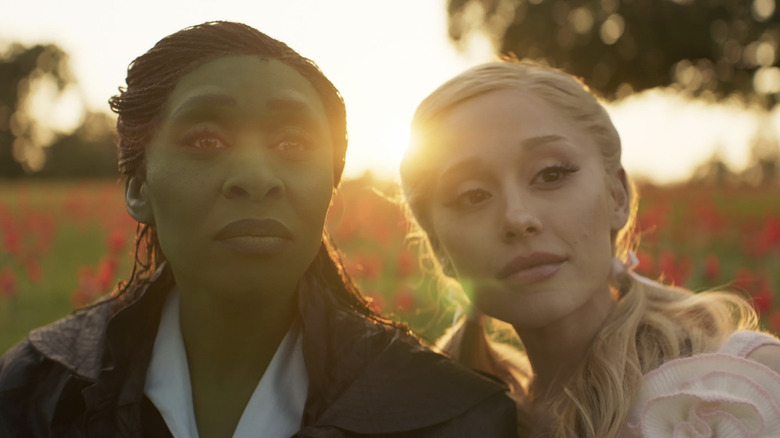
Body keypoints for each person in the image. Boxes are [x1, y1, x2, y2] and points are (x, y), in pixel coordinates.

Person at [0, 22, 518, 438]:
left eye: (293, 144)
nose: (255, 178)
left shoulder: (454, 417)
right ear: (138, 187)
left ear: (330, 188)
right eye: (205, 140)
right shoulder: (32, 391)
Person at [399, 60, 780, 438]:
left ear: (617, 196)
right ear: (439, 248)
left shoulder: (748, 391)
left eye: (551, 174)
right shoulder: (452, 425)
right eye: (473, 195)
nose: (517, 217)